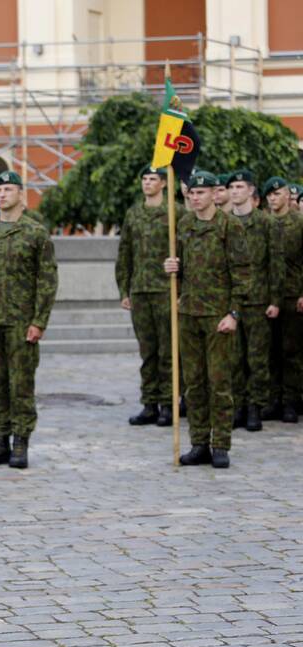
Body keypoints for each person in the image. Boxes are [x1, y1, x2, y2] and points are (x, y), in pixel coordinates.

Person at [0, 172, 58, 469]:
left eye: (8, 189)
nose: (2, 194)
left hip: (21, 321)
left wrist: (39, 321)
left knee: (21, 384)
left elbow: (47, 280)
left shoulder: (35, 232)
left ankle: (21, 442)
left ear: (21, 193)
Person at [164, 171, 249, 469]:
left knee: (219, 382)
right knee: (194, 383)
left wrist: (233, 313)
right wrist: (172, 267)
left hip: (218, 316)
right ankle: (199, 442)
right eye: (191, 193)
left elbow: (242, 273)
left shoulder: (230, 226)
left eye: (200, 193)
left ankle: (221, 444)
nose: (195, 197)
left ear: (214, 194)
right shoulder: (184, 224)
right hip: (188, 313)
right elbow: (182, 269)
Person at [116, 166, 173, 427]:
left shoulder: (175, 212)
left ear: (163, 183)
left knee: (168, 351)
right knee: (147, 351)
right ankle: (149, 403)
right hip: (140, 290)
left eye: (152, 179)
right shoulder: (134, 214)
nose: (147, 183)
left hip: (165, 290)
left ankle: (169, 404)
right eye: (144, 179)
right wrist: (124, 289)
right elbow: (125, 253)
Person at [226, 169, 280, 432]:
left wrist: (275, 299)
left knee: (257, 358)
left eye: (239, 187)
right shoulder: (223, 222)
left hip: (259, 300)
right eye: (232, 187)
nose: (235, 191)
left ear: (251, 191)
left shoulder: (265, 222)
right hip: (232, 303)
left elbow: (275, 263)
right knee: (234, 359)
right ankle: (237, 405)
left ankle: (255, 407)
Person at [265, 176, 303, 423]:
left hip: (292, 294)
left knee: (292, 351)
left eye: (277, 193)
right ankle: (274, 398)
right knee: (270, 350)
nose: (273, 198)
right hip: (267, 296)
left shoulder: (298, 223)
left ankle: (291, 400)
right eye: (269, 194)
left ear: (288, 196)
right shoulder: (264, 224)